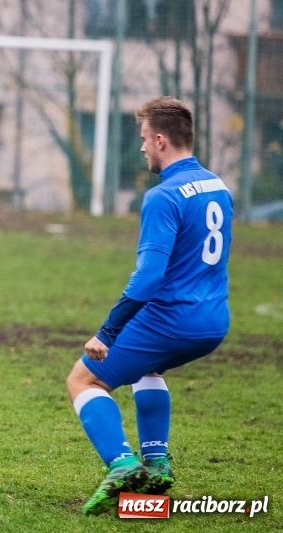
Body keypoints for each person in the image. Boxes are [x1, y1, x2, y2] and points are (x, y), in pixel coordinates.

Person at [66, 96, 233, 515]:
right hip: (213, 322)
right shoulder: (218, 186)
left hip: (170, 319)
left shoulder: (164, 196)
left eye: (143, 138)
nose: (141, 147)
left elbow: (149, 278)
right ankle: (156, 465)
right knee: (148, 367)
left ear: (160, 140)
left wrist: (107, 331)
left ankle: (123, 465)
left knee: (84, 380)